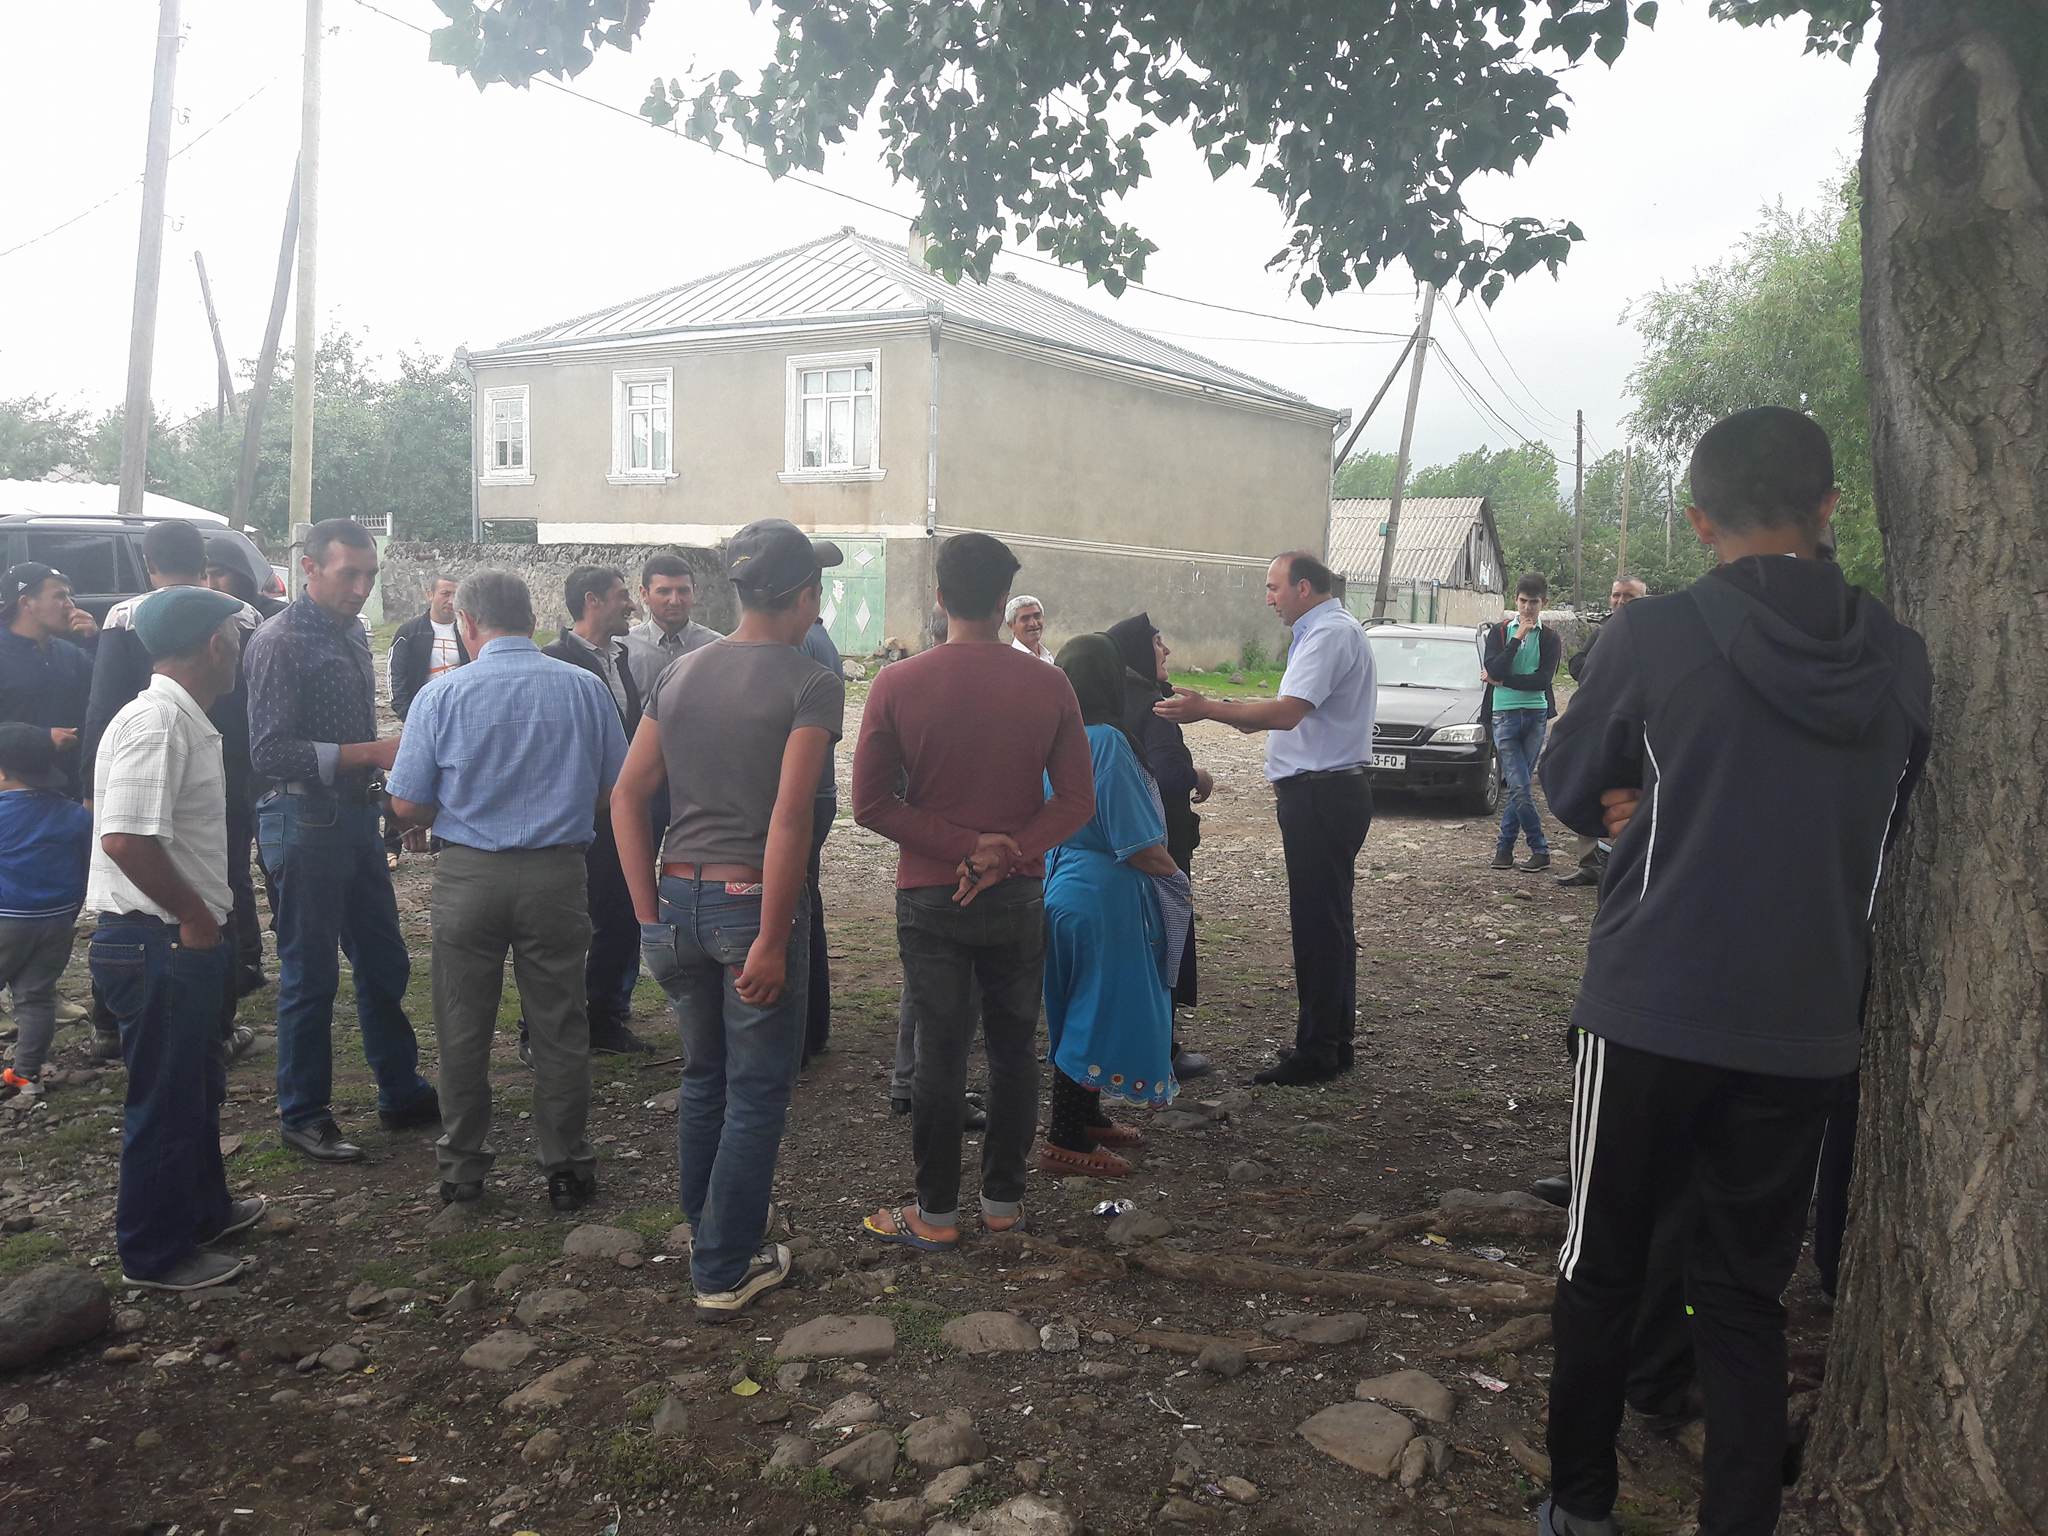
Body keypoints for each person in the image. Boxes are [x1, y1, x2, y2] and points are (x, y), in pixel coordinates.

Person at [1532, 407, 1931, 1536]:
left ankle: (1579, 1504)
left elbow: (1571, 785)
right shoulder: (1899, 658)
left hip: (1647, 1006)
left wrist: (1642, 802)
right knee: (1745, 1295)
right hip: (1804, 1021)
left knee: (1600, 1264)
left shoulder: (1653, 635)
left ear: (1698, 518)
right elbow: (1886, 810)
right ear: (1828, 507)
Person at [612, 519, 845, 1320]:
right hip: (751, 906)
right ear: (804, 595)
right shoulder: (810, 681)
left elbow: (627, 794)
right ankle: (723, 1265)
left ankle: (709, 1225)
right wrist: (775, 937)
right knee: (756, 1091)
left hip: (677, 899)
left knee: (704, 1077)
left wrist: (646, 915)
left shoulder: (680, 671)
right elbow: (790, 818)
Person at [852, 533, 1092, 1253]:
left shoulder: (896, 684)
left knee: (940, 1052)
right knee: (1015, 1048)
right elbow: (1076, 801)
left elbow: (871, 804)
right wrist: (1007, 850)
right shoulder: (1050, 685)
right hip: (1017, 892)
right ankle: (1002, 1204)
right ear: (1004, 600)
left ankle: (935, 1213)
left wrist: (963, 847)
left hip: (932, 890)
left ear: (939, 596)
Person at [387, 570, 627, 1213]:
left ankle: (463, 1168)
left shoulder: (441, 695)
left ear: (466, 622)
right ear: (532, 617)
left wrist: (451, 809)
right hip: (557, 874)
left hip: (469, 876)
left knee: (462, 1025)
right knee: (559, 1022)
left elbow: (406, 802)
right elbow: (616, 787)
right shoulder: (585, 688)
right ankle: (567, 1165)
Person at [86, 586, 267, 1291]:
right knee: (165, 1098)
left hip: (176, 936)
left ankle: (203, 1211)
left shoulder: (187, 717)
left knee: (196, 1084)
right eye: (235, 637)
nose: (241, 649)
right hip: (155, 939)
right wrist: (194, 916)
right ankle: (155, 1253)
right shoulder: (157, 722)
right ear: (216, 645)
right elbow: (126, 839)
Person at [244, 519, 438, 1164]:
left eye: (369, 576)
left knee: (384, 960)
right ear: (308, 567)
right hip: (302, 819)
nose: (360, 589)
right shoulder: (279, 641)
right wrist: (373, 752)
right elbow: (269, 751)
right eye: (347, 574)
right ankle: (303, 1113)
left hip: (355, 817)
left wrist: (388, 797)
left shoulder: (352, 632)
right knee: (311, 973)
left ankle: (400, 1090)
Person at [1157, 551, 1375, 1086]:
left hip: (1322, 793)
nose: (1268, 598)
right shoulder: (1322, 631)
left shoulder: (1328, 634)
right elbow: (1287, 710)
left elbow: (1286, 712)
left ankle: (1319, 1050)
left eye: (1274, 587)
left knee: (1318, 923)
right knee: (1329, 919)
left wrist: (1208, 709)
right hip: (1324, 791)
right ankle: (1331, 1038)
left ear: (1304, 587)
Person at [82, 520, 265, 1028]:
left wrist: (91, 784)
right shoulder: (238, 615)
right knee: (218, 880)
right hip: (213, 768)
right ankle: (218, 1010)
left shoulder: (125, 617)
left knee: (177, 885)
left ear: (149, 564)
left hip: (150, 767)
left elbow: (101, 705)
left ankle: (116, 1018)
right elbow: (250, 705)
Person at [1039, 634, 1188, 1175]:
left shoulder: (1053, 735)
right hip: (1106, 894)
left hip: (1060, 885)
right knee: (1096, 1011)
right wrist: (1176, 882)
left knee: (1075, 1003)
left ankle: (1088, 1117)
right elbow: (1137, 841)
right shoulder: (1107, 742)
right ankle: (1066, 1138)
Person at [539, 566, 653, 1057]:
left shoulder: (619, 656)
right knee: (565, 922)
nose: (631, 604)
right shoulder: (554, 661)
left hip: (618, 809)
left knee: (621, 912)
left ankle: (603, 1016)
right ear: (592, 601)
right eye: (622, 595)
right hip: (574, 814)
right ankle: (541, 1029)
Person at [1105, 612, 1213, 1080]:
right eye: (1156, 642)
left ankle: (1121, 1047)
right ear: (1135, 652)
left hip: (1113, 846)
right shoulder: (1156, 708)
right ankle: (1161, 1051)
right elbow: (1168, 774)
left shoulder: (1104, 703)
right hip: (1160, 844)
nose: (1165, 650)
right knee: (1165, 942)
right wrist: (1197, 775)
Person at [0, 724, 92, 1102]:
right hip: (56, 921)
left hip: (6, 918)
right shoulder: (73, 814)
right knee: (36, 999)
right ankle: (26, 1076)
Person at [1556, 578, 1647, 889]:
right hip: (1598, 725)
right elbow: (1578, 664)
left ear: (1643, 598)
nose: (1620, 601)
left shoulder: (1654, 633)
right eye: (1616, 595)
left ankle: (1628, 866)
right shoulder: (1602, 631)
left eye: (1628, 596)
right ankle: (1589, 863)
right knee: (1590, 787)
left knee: (1630, 796)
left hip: (1636, 729)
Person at [1481, 573, 1562, 873]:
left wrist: (1503, 681)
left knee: (1521, 785)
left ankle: (1504, 850)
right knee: (1519, 785)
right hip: (1504, 714)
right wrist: (1516, 640)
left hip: (1536, 714)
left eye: (1534, 602)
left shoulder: (1550, 638)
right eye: (1524, 601)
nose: (1528, 608)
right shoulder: (1501, 632)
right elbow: (1494, 666)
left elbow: (1542, 680)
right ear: (1515, 600)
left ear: (1544, 603)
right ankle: (1539, 848)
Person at [1, 563, 99, 800]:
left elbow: (103, 702)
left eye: (70, 596)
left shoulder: (70, 653)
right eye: (59, 596)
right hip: (13, 797)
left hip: (70, 793)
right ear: (26, 603)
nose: (70, 605)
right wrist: (41, 740)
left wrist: (95, 641)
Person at [796, 614, 842, 1065]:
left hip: (805, 794)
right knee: (807, 905)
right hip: (818, 791)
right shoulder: (819, 637)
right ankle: (812, 1028)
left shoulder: (802, 640)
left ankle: (803, 1031)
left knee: (797, 907)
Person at [624, 553, 721, 700]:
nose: (675, 601)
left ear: (694, 592)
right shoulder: (623, 648)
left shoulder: (715, 648)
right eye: (664, 592)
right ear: (644, 594)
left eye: (683, 591)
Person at [388, 575, 471, 721]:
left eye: (456, 595)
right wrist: (407, 715)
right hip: (422, 714)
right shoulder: (409, 632)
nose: (451, 601)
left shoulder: (469, 632)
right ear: (430, 595)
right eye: (445, 594)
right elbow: (396, 675)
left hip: (461, 713)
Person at [1005, 595, 1055, 662]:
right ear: (1011, 625)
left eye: (1037, 616)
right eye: (1025, 618)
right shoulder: (1010, 661)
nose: (1033, 623)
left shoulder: (1048, 657)